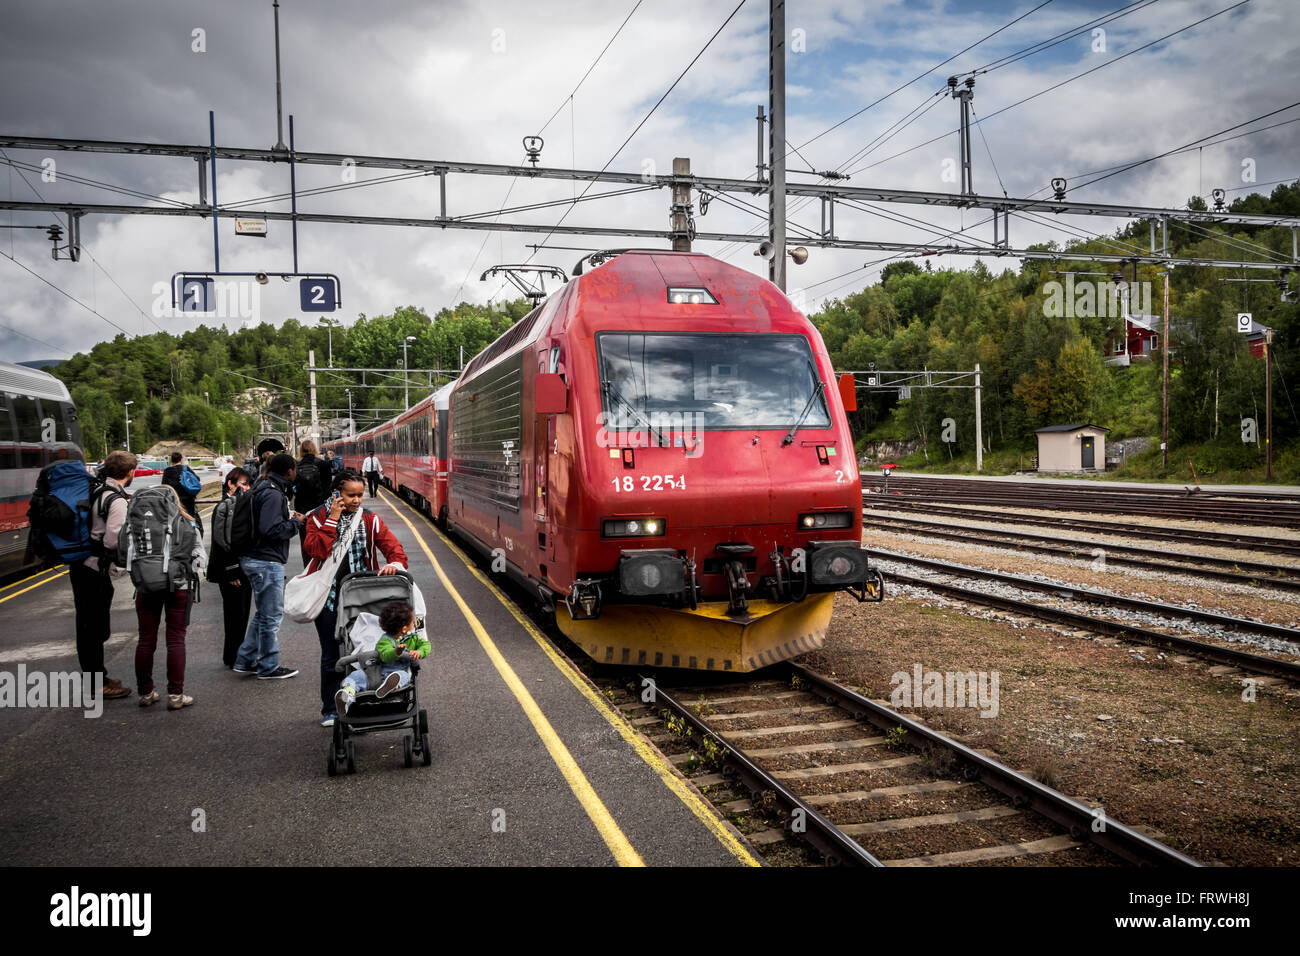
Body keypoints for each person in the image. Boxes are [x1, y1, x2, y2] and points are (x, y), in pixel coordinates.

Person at [303, 469, 409, 726]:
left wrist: (394, 562)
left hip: (362, 597)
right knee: (332, 654)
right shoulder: (316, 518)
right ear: (336, 493)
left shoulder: (370, 519)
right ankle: (330, 708)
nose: (357, 500)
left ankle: (360, 703)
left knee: (365, 649)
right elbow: (316, 549)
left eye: (360, 495)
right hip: (328, 597)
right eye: (351, 495)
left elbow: (392, 547)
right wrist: (333, 518)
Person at [68, 450, 136, 700]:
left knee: (89, 626)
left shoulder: (97, 490)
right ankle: (97, 684)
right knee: (92, 629)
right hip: (94, 569)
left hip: (82, 565)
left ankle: (99, 676)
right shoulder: (116, 500)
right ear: (130, 473)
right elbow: (112, 540)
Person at [133, 486, 205, 710]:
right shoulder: (187, 522)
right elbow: (200, 557)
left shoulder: (139, 522)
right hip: (179, 585)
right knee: (175, 640)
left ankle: (145, 693)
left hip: (145, 586)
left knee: (146, 639)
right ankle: (176, 695)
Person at [233, 453, 303, 680]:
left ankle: (245, 660)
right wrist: (295, 524)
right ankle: (268, 666)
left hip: (255, 557)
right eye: (295, 469)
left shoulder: (263, 486)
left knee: (263, 614)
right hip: (266, 560)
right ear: (289, 471)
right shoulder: (273, 493)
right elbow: (270, 529)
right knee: (272, 616)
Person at [333, 600, 428, 717]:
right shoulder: (385, 640)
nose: (414, 624)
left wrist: (419, 652)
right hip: (376, 673)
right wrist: (396, 652)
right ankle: (346, 695)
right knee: (355, 677)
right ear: (404, 628)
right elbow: (385, 655)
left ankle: (391, 685)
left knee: (403, 676)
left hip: (395, 673)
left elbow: (426, 645)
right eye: (412, 622)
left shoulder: (413, 639)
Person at [207, 467, 253, 668]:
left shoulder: (236, 504)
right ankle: (233, 656)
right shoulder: (226, 506)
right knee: (235, 614)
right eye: (242, 483)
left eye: (248, 483)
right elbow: (222, 541)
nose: (247, 487)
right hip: (231, 570)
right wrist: (232, 569)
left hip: (239, 568)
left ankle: (236, 654)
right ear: (230, 484)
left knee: (241, 613)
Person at [294, 440, 331, 560]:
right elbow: (328, 488)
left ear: (301, 450)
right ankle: (320, 567)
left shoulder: (296, 465)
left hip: (301, 509)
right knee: (322, 538)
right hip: (320, 509)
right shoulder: (324, 464)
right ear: (314, 449)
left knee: (305, 541)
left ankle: (307, 568)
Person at [161, 451, 203, 538]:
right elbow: (197, 479)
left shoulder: (167, 471)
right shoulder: (186, 468)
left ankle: (178, 537)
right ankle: (192, 535)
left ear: (171, 460)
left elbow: (164, 486)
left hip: (175, 501)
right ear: (181, 459)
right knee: (191, 517)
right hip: (188, 500)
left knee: (176, 520)